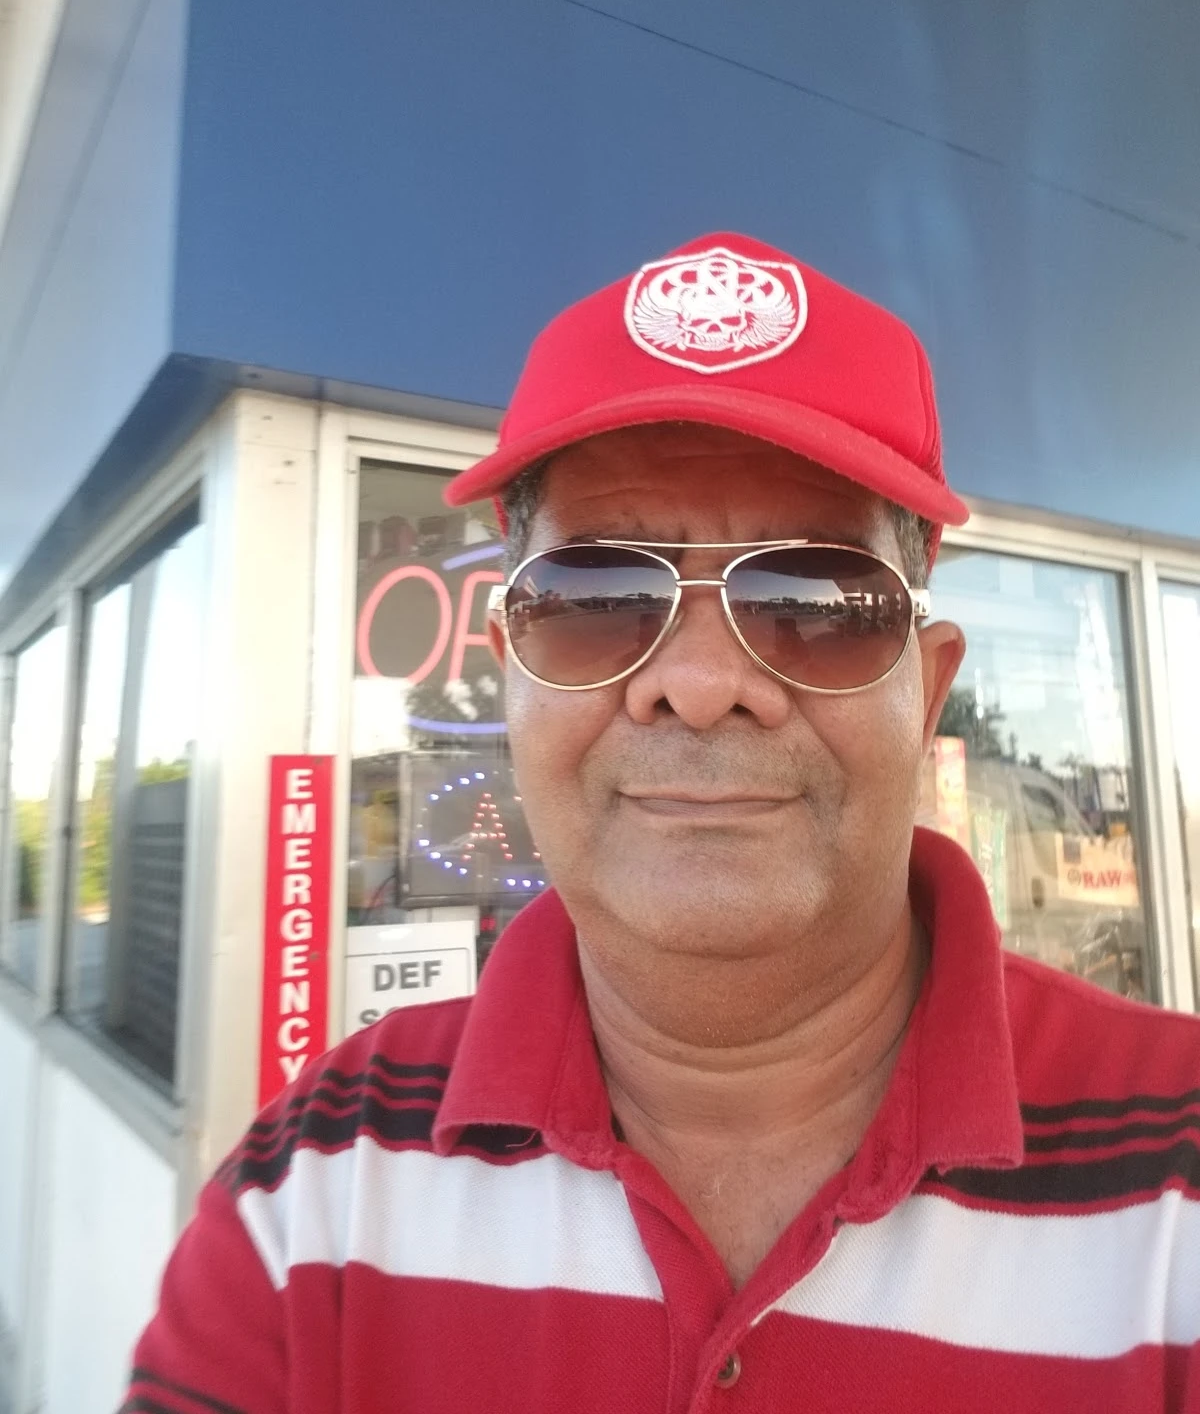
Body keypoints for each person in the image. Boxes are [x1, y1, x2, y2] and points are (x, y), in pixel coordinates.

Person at [123, 234, 1200, 1413]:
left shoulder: (1178, 1179)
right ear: (511, 672)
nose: (698, 683)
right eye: (598, 597)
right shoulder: (315, 1185)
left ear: (928, 690)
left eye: (815, 599)